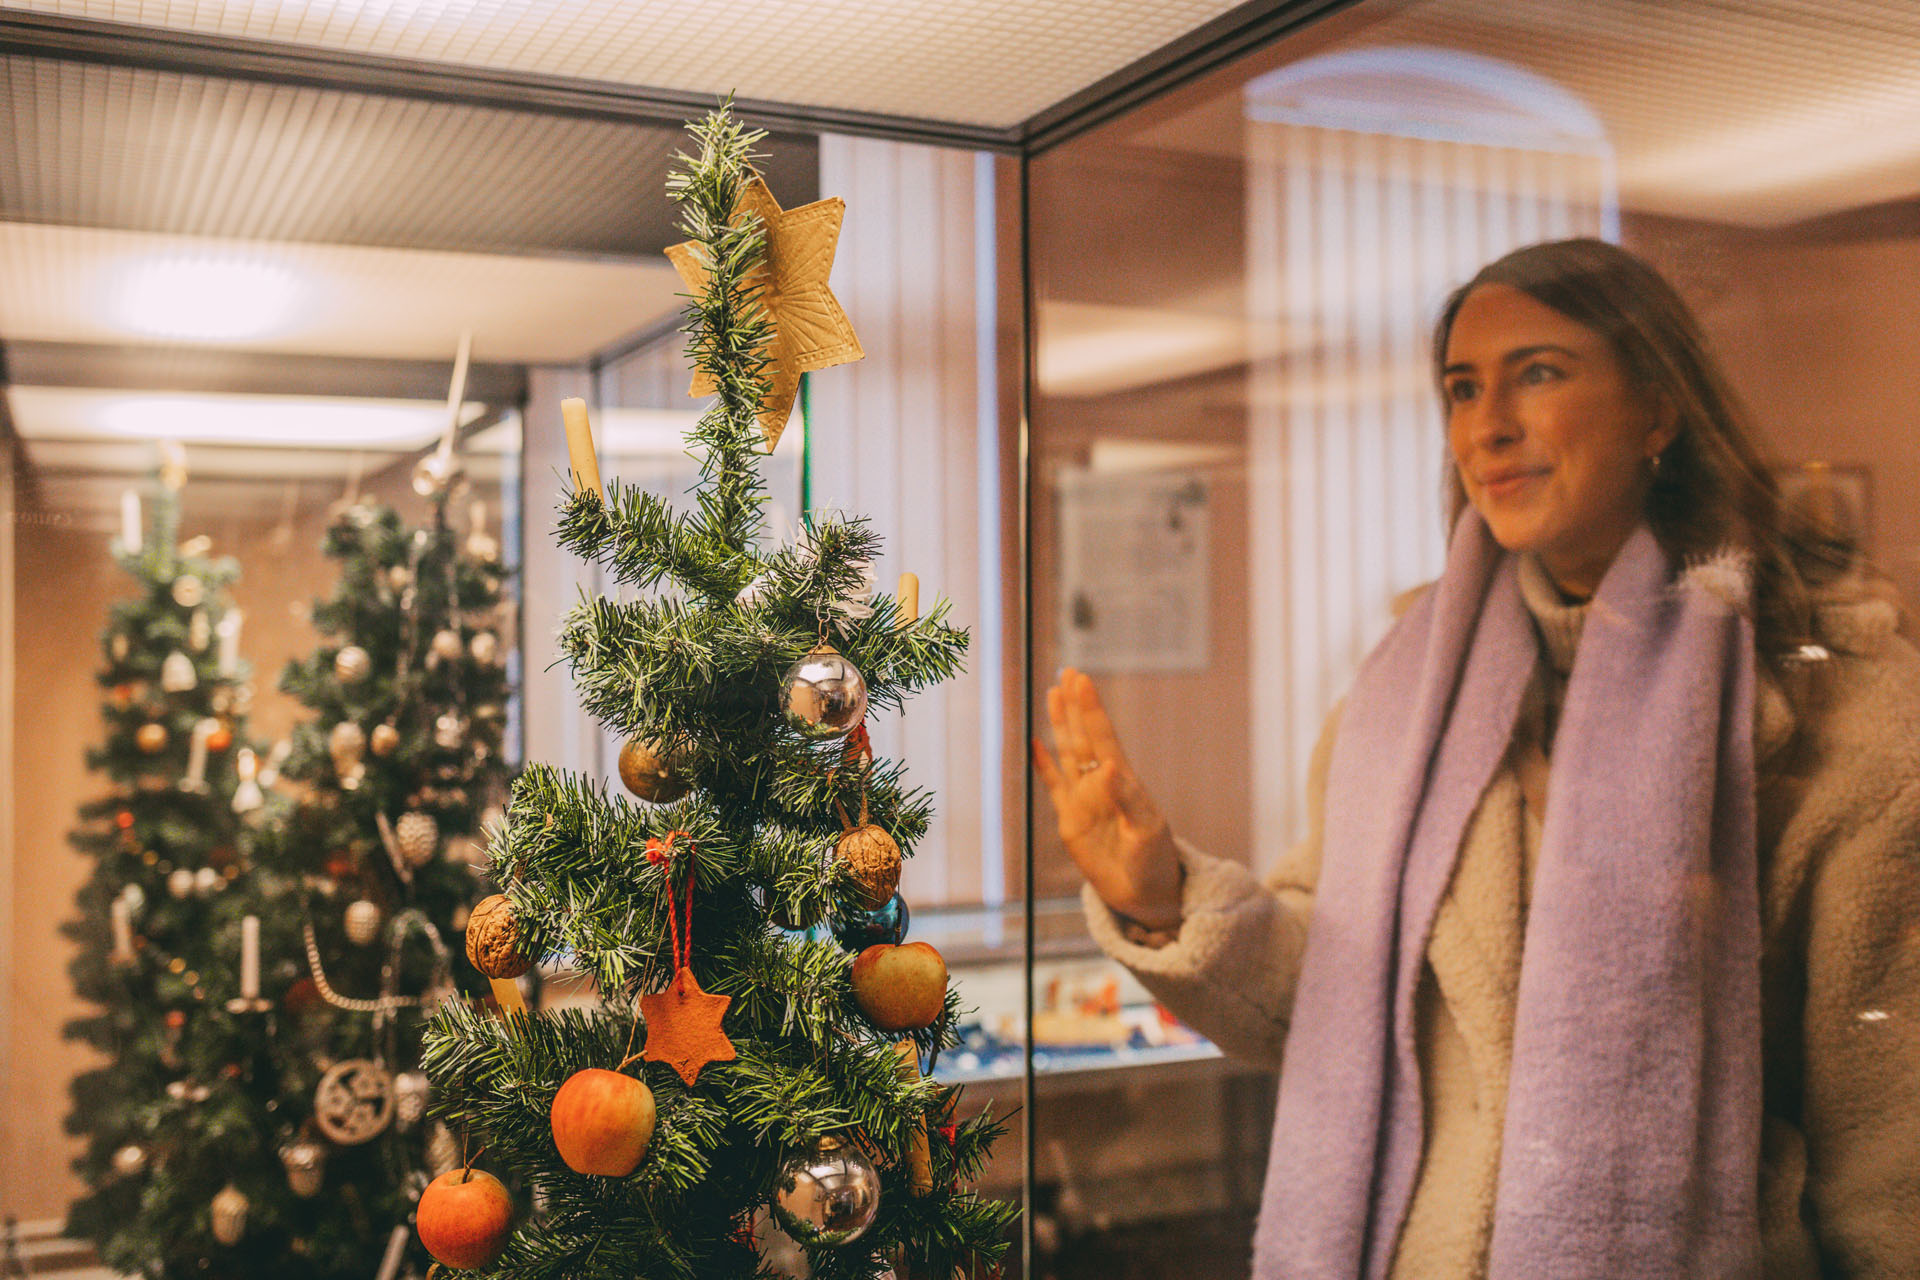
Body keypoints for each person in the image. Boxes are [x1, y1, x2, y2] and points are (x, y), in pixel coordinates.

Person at [1035, 238, 1920, 1280]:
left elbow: (1889, 1154)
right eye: (1462, 387)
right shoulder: (1410, 695)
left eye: (1538, 372)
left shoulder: (1836, 710)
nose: (1486, 425)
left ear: (1659, 408)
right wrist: (1161, 896)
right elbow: (1330, 990)